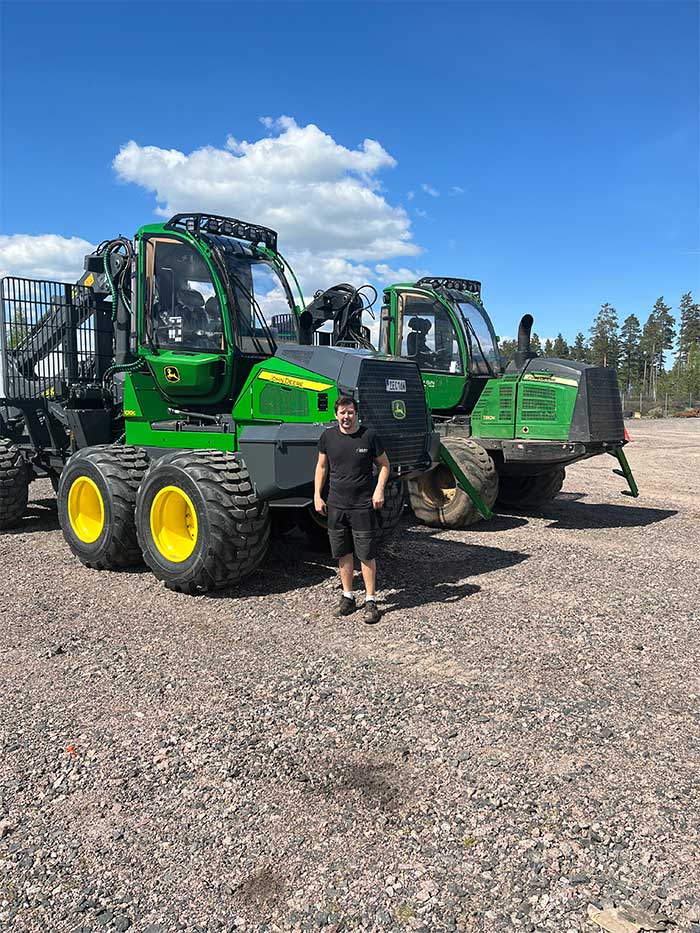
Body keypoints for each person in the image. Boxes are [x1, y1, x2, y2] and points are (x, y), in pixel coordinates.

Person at [314, 396, 390, 624]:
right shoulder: (327, 437)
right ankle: (347, 597)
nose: (346, 417)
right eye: (342, 413)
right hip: (336, 505)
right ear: (336, 415)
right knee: (343, 553)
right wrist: (317, 495)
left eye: (350, 412)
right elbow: (321, 466)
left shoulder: (369, 436)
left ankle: (370, 600)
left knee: (366, 554)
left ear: (356, 414)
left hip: (362, 505)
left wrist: (379, 490)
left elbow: (385, 465)